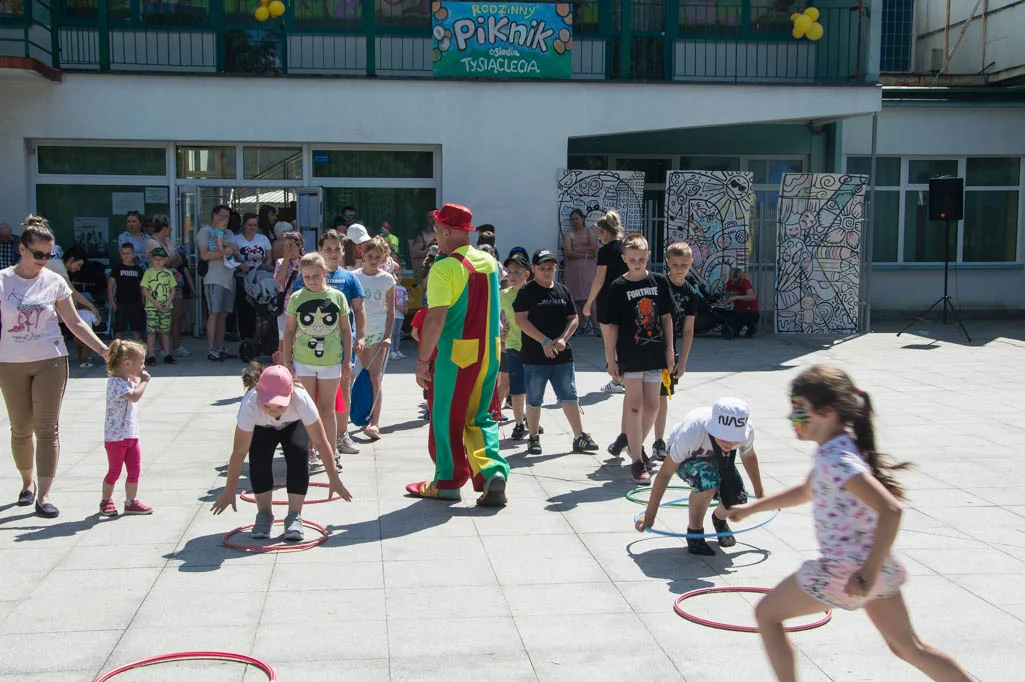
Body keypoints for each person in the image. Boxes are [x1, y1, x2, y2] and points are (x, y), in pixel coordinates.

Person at [727, 366, 972, 682]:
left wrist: (867, 573)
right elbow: (806, 491)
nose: (792, 419)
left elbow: (891, 510)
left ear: (827, 412)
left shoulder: (836, 459)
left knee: (766, 614)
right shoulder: (837, 449)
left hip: (847, 571)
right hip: (875, 568)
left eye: (799, 410)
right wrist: (753, 508)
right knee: (910, 648)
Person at [0, 216, 109, 518]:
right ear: (21, 249)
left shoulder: (54, 281)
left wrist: (103, 351)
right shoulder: (3, 280)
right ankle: (27, 484)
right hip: (9, 363)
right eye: (38, 255)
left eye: (49, 255)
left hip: (50, 360)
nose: (44, 261)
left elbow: (73, 322)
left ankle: (45, 495)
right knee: (20, 428)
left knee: (47, 429)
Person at [406, 203, 510, 506]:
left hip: (456, 355)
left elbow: (436, 318)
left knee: (446, 418)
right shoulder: (489, 262)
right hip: (489, 352)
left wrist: (423, 361)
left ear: (449, 231)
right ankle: (491, 472)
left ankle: (448, 480)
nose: (436, 236)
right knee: (479, 417)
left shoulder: (444, 268)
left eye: (439, 230)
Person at [211, 364, 352, 541]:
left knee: (299, 456)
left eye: (278, 405)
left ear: (290, 395)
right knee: (258, 459)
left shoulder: (301, 398)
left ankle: (294, 515)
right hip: (261, 429)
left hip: (293, 424)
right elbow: (239, 452)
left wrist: (334, 478)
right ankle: (264, 514)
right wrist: (229, 490)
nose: (271, 410)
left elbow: (321, 442)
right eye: (266, 404)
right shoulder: (251, 403)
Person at [636, 398, 765, 555]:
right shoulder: (692, 432)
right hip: (688, 458)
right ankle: (695, 533)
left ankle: (719, 518)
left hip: (718, 458)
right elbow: (665, 474)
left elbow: (749, 457)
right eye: (724, 437)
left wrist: (760, 494)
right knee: (708, 481)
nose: (729, 443)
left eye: (734, 439)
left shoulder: (747, 431)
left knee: (738, 499)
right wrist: (650, 515)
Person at [601, 233, 677, 484]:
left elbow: (666, 317)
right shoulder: (618, 286)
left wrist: (669, 350)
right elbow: (612, 325)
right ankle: (637, 461)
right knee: (634, 405)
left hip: (655, 352)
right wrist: (610, 358)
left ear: (648, 257)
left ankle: (636, 446)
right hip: (630, 353)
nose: (636, 263)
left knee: (653, 406)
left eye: (641, 259)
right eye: (632, 259)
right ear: (624, 259)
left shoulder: (659, 282)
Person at [513, 249, 600, 456]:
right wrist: (543, 341)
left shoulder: (562, 290)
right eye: (542, 268)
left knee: (569, 395)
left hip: (562, 356)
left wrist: (563, 338)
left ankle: (579, 436)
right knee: (534, 398)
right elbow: (521, 320)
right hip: (535, 356)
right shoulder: (527, 292)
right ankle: (533, 436)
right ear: (533, 269)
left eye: (551, 268)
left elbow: (574, 318)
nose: (547, 272)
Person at [292, 229, 366, 457]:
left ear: (344, 250)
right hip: (309, 350)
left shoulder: (350, 277)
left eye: (337, 249)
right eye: (328, 249)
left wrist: (360, 335)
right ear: (320, 251)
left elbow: (359, 309)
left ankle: (341, 435)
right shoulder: (305, 277)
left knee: (342, 390)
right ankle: (312, 443)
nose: (333, 253)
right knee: (309, 396)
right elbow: (293, 314)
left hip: (340, 347)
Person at [282, 252, 352, 470]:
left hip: (331, 361)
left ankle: (331, 453)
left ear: (324, 273)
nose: (311, 280)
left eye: (315, 275)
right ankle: (308, 450)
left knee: (327, 409)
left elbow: (346, 330)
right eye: (306, 276)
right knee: (306, 408)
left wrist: (346, 361)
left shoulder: (337, 296)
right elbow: (289, 331)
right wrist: (287, 362)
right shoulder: (296, 298)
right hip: (303, 361)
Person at [652, 242, 697, 461]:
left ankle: (659, 440)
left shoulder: (690, 291)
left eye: (684, 265)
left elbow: (688, 330)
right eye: (675, 264)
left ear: (691, 263)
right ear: (667, 263)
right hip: (648, 345)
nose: (679, 269)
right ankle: (628, 437)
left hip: (669, 352)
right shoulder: (658, 284)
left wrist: (683, 362)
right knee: (640, 398)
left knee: (661, 397)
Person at [100, 339, 153, 517]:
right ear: (127, 363)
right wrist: (144, 382)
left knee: (134, 469)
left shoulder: (128, 380)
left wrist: (136, 378)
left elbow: (132, 387)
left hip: (130, 435)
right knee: (114, 471)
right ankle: (106, 500)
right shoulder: (116, 383)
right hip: (115, 438)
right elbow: (134, 397)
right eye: (140, 363)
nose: (143, 366)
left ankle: (131, 501)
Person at [353, 237, 395, 441]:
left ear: (384, 258)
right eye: (370, 256)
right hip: (357, 331)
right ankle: (357, 414)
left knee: (374, 376)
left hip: (378, 332)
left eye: (378, 257)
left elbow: (391, 311)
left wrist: (388, 336)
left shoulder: (387, 279)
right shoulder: (353, 277)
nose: (373, 260)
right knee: (354, 376)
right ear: (362, 254)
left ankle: (375, 422)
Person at [583, 210, 628, 394]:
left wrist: (588, 303)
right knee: (624, 340)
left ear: (607, 232)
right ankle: (625, 377)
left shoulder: (606, 251)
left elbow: (599, 279)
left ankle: (616, 380)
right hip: (626, 298)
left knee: (610, 342)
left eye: (600, 232)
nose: (598, 236)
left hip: (608, 300)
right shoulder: (626, 248)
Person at [198, 204, 239, 362]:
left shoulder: (228, 233)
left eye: (227, 217)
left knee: (223, 314)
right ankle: (211, 349)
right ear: (214, 215)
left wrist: (227, 248)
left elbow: (235, 250)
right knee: (214, 313)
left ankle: (220, 347)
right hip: (213, 278)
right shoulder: (206, 232)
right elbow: (205, 254)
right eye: (221, 216)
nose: (224, 220)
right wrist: (223, 251)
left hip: (228, 278)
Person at [499, 253, 531, 440]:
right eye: (509, 272)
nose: (512, 276)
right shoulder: (503, 295)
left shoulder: (534, 293)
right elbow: (494, 316)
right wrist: (501, 329)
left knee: (532, 388)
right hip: (512, 346)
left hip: (534, 347)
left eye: (517, 272)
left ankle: (531, 421)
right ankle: (519, 423)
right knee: (517, 386)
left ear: (527, 274)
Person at [233, 213, 273, 342]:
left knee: (263, 308)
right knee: (245, 308)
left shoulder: (263, 239)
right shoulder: (236, 239)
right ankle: (246, 337)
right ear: (244, 225)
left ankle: (262, 337)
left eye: (255, 225)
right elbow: (231, 258)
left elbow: (269, 257)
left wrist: (263, 269)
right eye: (249, 225)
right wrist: (240, 265)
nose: (252, 227)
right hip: (242, 277)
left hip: (259, 277)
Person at [562, 209, 598, 334]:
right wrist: (585, 253)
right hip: (573, 270)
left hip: (588, 270)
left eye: (577, 218)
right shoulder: (569, 234)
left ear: (582, 219)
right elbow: (567, 252)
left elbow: (594, 249)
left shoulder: (590, 232)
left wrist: (577, 252)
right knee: (576, 299)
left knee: (590, 298)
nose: (575, 221)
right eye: (572, 219)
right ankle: (579, 327)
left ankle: (596, 327)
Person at [140, 246, 177, 366]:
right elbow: (144, 290)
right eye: (155, 259)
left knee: (165, 330)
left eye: (161, 259)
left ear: (165, 260)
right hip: (152, 307)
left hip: (166, 306)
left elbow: (172, 290)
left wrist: (168, 302)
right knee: (151, 331)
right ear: (151, 260)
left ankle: (167, 354)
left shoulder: (168, 273)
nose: (158, 261)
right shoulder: (148, 272)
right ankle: (151, 355)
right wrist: (154, 302)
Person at [46, 247, 101, 321]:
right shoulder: (59, 267)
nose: (79, 269)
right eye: (78, 265)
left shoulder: (58, 266)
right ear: (71, 259)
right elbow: (71, 292)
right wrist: (92, 307)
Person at [108, 243, 146, 342]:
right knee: (119, 331)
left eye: (128, 253)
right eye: (123, 253)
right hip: (121, 303)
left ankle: (139, 355)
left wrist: (143, 302)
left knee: (136, 330)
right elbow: (110, 286)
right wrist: (113, 303)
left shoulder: (138, 269)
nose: (126, 256)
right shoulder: (117, 268)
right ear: (120, 254)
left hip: (136, 303)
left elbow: (142, 287)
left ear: (133, 254)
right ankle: (114, 355)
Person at [273, 230, 303, 352]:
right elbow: (279, 281)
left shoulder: (305, 262)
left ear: (299, 246)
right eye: (286, 246)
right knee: (283, 340)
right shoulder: (280, 262)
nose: (288, 249)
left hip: (300, 306)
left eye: (291, 246)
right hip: (285, 307)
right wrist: (286, 258)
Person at [725, 265, 759, 338]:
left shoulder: (744, 282)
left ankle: (751, 327)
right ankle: (734, 330)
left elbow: (752, 297)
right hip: (738, 310)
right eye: (731, 278)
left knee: (741, 317)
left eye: (734, 279)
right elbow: (727, 295)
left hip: (750, 310)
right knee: (728, 317)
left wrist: (736, 297)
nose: (732, 281)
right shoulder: (729, 283)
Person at [408, 209, 437, 285]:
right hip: (427, 273)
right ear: (427, 219)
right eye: (430, 217)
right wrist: (431, 251)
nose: (433, 219)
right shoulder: (422, 235)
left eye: (435, 217)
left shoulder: (445, 233)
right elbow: (414, 253)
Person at [390, 273, 408, 360]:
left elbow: (405, 300)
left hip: (400, 315)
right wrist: (398, 307)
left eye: (400, 274)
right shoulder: (391, 288)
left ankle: (397, 350)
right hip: (393, 314)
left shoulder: (403, 289)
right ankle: (391, 351)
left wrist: (405, 308)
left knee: (397, 334)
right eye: (397, 274)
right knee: (392, 333)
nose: (399, 277)